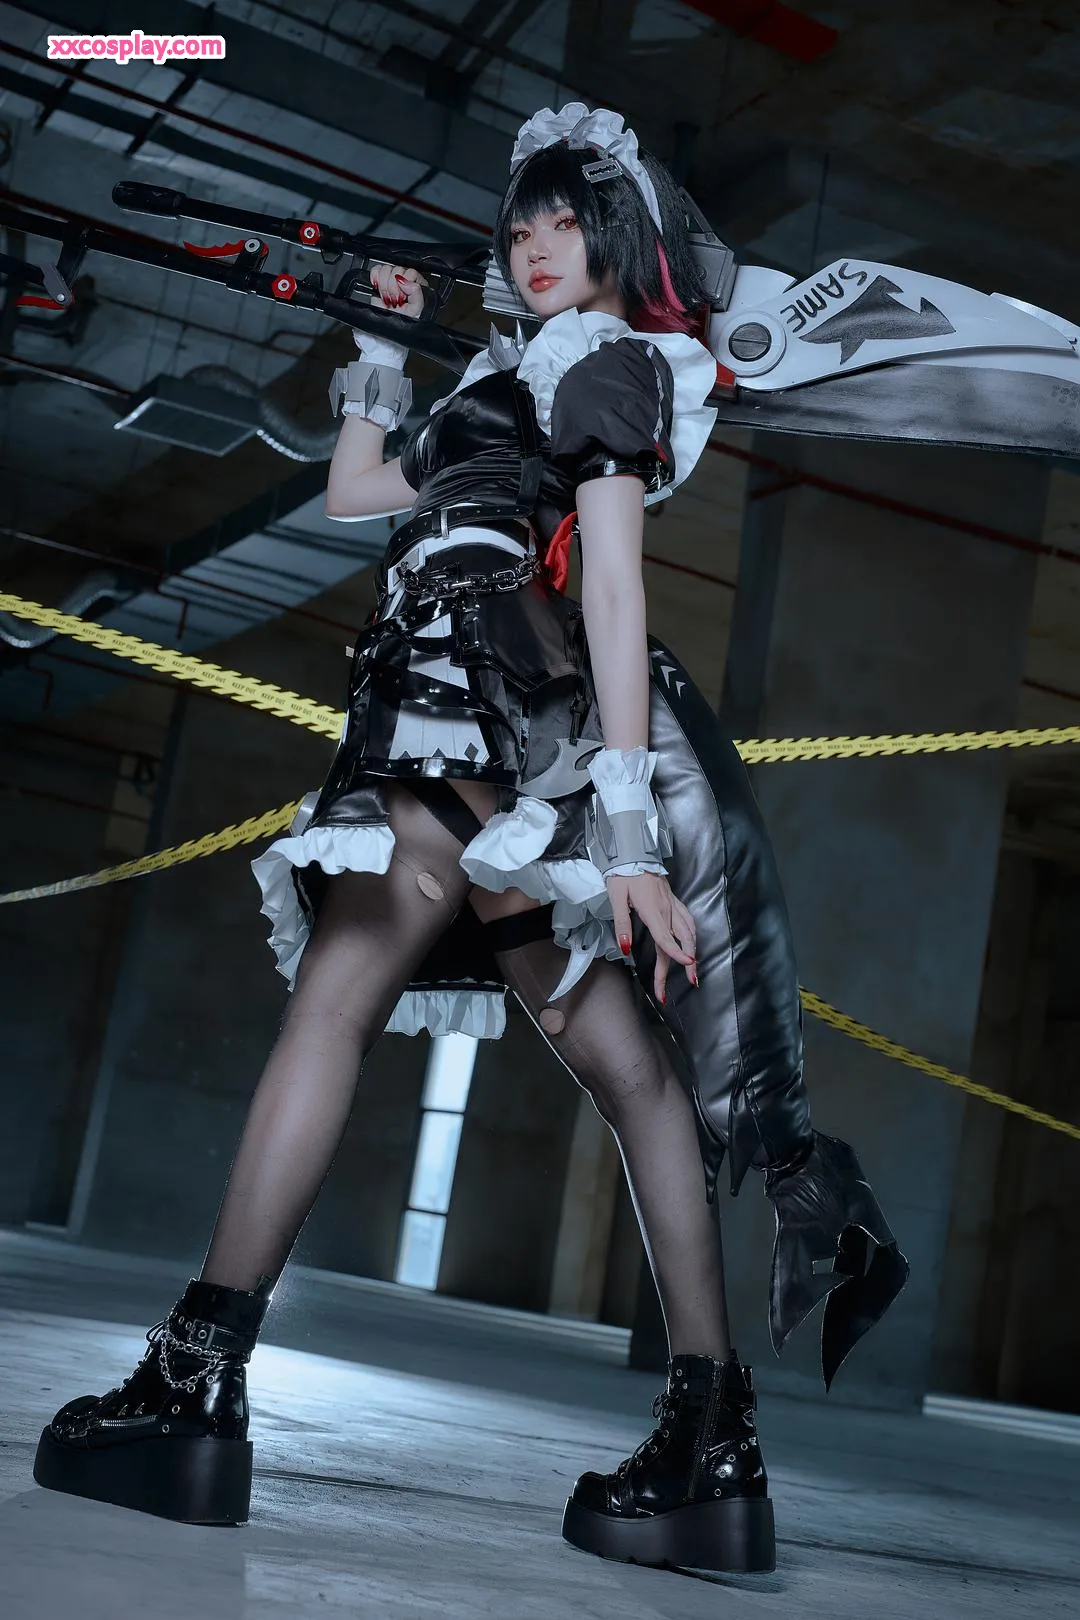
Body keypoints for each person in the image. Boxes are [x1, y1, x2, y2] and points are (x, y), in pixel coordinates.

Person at [33, 103, 907, 1574]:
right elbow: (358, 492)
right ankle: (715, 1442)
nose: (536, 243)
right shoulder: (514, 373)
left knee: (339, 1002)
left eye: (566, 220)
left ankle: (194, 1382)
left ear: (616, 237)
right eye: (521, 225)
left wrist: (626, 836)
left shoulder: (608, 362)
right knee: (625, 1064)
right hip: (454, 712)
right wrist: (380, 349)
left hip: (476, 718)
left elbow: (614, 590)